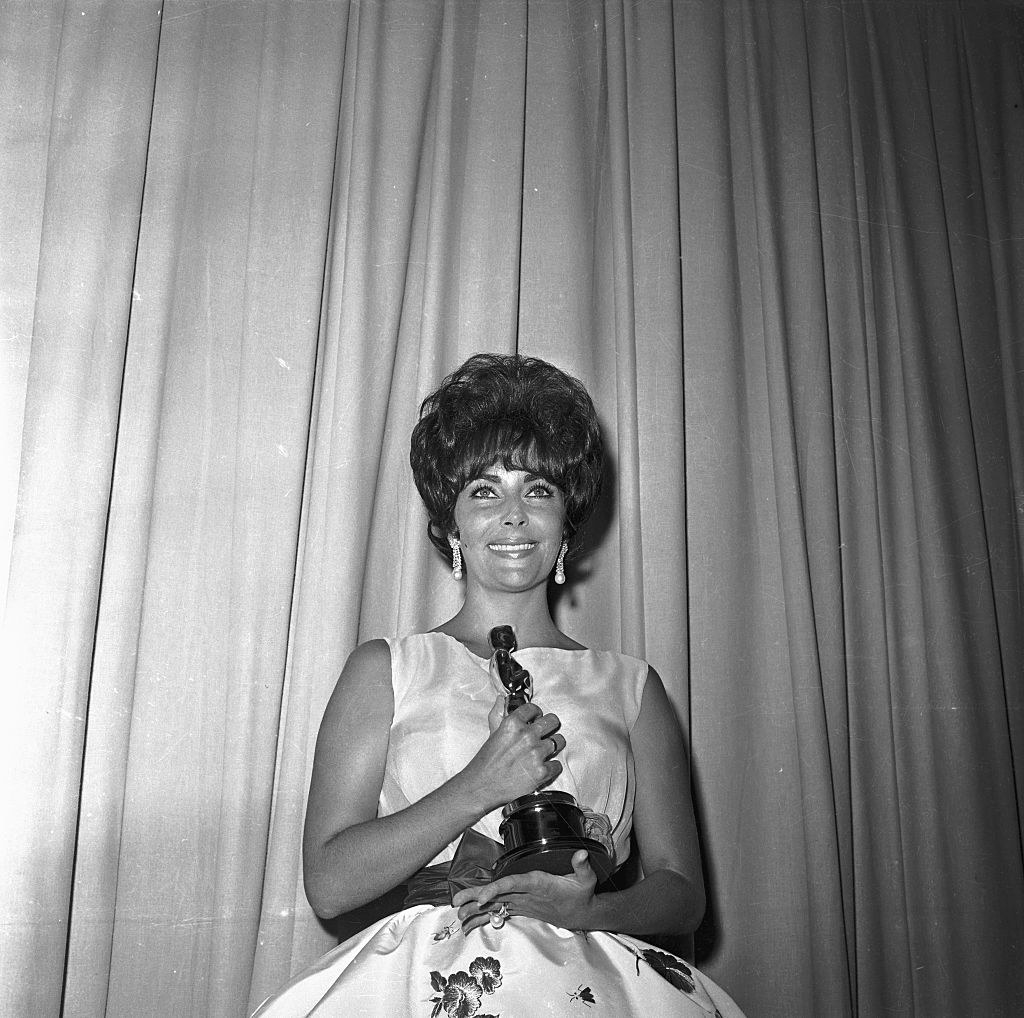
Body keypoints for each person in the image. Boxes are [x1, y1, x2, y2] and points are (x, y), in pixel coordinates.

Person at [253, 354, 745, 1017]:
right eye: (484, 490)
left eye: (537, 489)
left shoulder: (632, 686)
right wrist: (480, 785)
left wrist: (592, 909)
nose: (513, 515)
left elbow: (683, 892)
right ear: (451, 525)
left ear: (567, 524)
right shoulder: (387, 668)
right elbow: (330, 886)